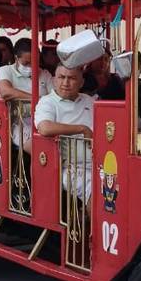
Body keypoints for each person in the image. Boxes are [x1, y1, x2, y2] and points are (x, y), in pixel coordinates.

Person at [35, 64, 94, 200]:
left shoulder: (89, 101)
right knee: (98, 193)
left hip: (99, 165)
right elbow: (44, 127)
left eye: (72, 78)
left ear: (81, 82)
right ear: (55, 80)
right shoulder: (47, 102)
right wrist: (82, 129)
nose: (66, 83)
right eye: (62, 77)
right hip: (70, 169)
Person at [0, 38, 53, 151]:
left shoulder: (45, 74)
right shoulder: (5, 71)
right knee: (39, 149)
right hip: (16, 122)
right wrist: (38, 99)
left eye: (35, 62)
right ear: (16, 58)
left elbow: (55, 96)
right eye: (26, 63)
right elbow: (5, 92)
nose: (31, 66)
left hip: (44, 119)